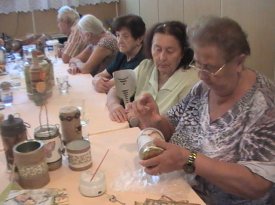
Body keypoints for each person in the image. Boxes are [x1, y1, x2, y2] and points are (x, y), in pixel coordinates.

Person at [128, 16, 275, 205]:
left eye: (210, 67)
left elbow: (257, 184)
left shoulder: (264, 106)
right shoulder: (203, 87)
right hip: (179, 190)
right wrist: (153, 119)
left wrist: (188, 160)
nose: (202, 75)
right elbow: (170, 127)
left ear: (239, 62)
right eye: (198, 64)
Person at [106, 21, 198, 123]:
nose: (162, 57)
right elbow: (115, 89)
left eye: (170, 51)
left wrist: (138, 117)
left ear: (183, 53)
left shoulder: (192, 80)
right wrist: (114, 106)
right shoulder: (146, 66)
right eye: (157, 49)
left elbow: (179, 128)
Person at [92, 14, 146, 93]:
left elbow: (108, 85)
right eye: (117, 35)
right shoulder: (122, 53)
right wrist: (96, 81)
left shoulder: (143, 60)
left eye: (125, 36)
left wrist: (98, 82)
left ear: (139, 39)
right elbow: (100, 75)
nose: (119, 41)